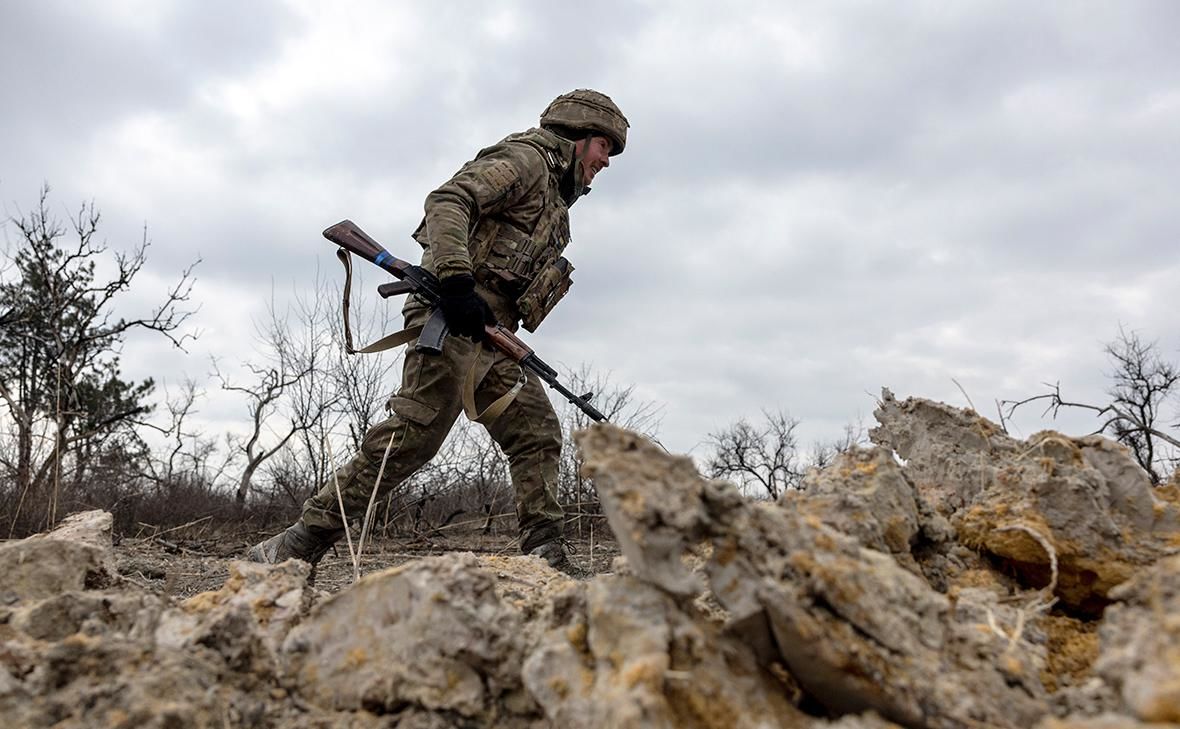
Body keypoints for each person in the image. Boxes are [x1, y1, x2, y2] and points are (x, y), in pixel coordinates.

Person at [247, 89, 628, 573]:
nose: (606, 161)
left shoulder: (557, 199)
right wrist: (456, 280)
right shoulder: (527, 160)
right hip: (451, 316)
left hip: (489, 333)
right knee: (414, 438)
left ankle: (546, 557)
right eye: (603, 147)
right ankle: (294, 548)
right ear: (577, 136)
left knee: (536, 432)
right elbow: (449, 200)